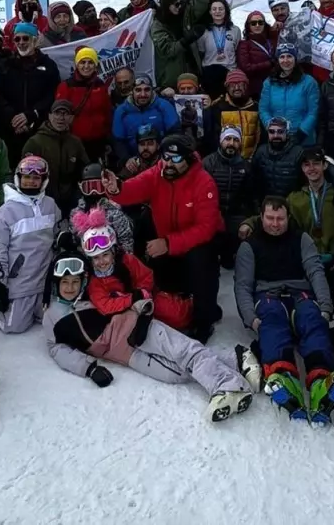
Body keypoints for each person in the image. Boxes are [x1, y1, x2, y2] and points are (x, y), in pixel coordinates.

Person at [44, 247, 252, 423]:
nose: (70, 288)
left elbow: (121, 296)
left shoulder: (92, 294)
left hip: (136, 326)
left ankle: (228, 385)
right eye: (65, 282)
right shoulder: (52, 315)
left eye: (74, 282)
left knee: (181, 351)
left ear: (83, 280)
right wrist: (88, 368)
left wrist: (141, 310)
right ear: (56, 284)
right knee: (175, 373)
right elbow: (57, 349)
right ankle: (236, 358)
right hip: (124, 353)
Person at [234, 196, 334, 423]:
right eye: (270, 218)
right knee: (272, 322)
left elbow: (316, 271)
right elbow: (243, 285)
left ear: (288, 218)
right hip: (268, 295)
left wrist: (325, 308)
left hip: (300, 293)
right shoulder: (250, 246)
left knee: (312, 319)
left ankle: (320, 379)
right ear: (262, 217)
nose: (275, 224)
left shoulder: (301, 239)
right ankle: (284, 375)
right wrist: (251, 319)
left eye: (280, 219)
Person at [101, 133, 222, 342]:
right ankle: (175, 304)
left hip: (195, 243)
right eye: (165, 157)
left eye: (176, 159)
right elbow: (133, 188)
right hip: (168, 242)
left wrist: (168, 243)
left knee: (203, 260)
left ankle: (204, 319)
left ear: (188, 159)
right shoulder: (157, 174)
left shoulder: (204, 182)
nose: (169, 163)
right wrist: (116, 188)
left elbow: (206, 228)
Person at [0, 155, 62, 334]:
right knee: (14, 327)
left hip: (45, 282)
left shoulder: (50, 205)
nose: (31, 182)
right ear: (18, 178)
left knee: (55, 321)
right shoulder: (6, 212)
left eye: (36, 178)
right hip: (20, 284)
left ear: (44, 181)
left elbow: (58, 232)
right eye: (27, 177)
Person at [79, 219, 191, 330]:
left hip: (146, 299)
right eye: (96, 258)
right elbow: (105, 305)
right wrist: (131, 299)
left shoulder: (127, 261)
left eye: (105, 255)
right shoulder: (95, 281)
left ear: (113, 251)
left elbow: (146, 276)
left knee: (177, 315)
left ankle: (193, 310)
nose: (102, 261)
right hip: (123, 314)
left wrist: (142, 292)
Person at [0, 21, 61, 166]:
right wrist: (13, 118)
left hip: (39, 130)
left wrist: (32, 115)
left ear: (35, 40)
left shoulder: (48, 65)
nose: (21, 43)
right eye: (17, 39)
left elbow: (53, 94)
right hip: (9, 131)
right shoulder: (5, 65)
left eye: (26, 38)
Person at [201, 126, 254, 269]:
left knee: (230, 262)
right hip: (212, 214)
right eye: (228, 139)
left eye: (236, 140)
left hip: (235, 215)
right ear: (221, 141)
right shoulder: (207, 163)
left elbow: (250, 197)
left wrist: (248, 221)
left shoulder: (246, 167)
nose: (231, 143)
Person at [21, 99, 90, 209]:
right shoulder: (35, 142)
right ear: (49, 116)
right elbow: (25, 176)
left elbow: (85, 170)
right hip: (42, 202)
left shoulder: (75, 143)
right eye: (57, 113)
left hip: (70, 202)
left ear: (71, 118)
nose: (61, 118)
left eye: (65, 113)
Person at [55, 47, 113, 163]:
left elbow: (106, 112)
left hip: (97, 142)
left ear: (95, 65)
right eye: (82, 62)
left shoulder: (100, 86)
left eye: (90, 62)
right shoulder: (66, 86)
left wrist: (107, 138)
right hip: (74, 142)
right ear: (77, 64)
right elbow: (59, 114)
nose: (86, 66)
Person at [259, 43, 320, 147]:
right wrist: (273, 129)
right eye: (282, 57)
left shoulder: (308, 82)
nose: (286, 60)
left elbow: (313, 111)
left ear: (295, 59)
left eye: (289, 56)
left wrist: (301, 133)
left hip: (303, 138)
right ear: (277, 60)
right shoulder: (269, 82)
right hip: (277, 138)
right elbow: (263, 109)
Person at [112, 75, 179, 164]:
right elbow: (118, 141)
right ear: (132, 91)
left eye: (147, 90)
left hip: (162, 157)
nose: (143, 94)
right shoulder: (121, 111)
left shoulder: (164, 106)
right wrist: (126, 159)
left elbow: (175, 133)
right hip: (134, 160)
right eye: (138, 90)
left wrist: (167, 155)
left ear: (152, 90)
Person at [71, 164, 136, 255]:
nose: (94, 192)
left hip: (110, 260)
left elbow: (126, 242)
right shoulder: (77, 213)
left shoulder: (115, 213)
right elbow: (75, 240)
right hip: (88, 259)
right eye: (89, 187)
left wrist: (122, 261)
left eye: (98, 187)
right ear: (82, 188)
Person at [151, 0, 204, 90]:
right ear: (167, 5)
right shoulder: (158, 25)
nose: (179, 7)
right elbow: (168, 50)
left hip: (191, 72)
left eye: (180, 3)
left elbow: (201, 5)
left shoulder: (183, 16)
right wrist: (187, 40)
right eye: (176, 4)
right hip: (171, 79)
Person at [202, 69, 260, 158]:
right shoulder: (218, 107)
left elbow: (260, 136)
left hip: (251, 160)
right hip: (225, 160)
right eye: (233, 85)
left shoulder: (256, 107)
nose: (237, 88)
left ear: (246, 86)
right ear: (227, 87)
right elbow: (213, 138)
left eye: (240, 84)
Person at [249, 116, 305, 202]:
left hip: (291, 205)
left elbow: (303, 185)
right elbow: (253, 182)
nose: (276, 135)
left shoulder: (298, 153)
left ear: (287, 132)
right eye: (271, 132)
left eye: (280, 132)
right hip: (266, 206)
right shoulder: (261, 151)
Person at [197, 0, 241, 98]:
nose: (217, 12)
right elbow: (201, 52)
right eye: (214, 9)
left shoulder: (235, 30)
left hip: (229, 72)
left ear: (226, 11)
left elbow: (237, 50)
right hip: (210, 72)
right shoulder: (204, 31)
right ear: (210, 12)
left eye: (221, 9)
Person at [236, 10, 275, 98]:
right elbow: (246, 67)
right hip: (255, 88)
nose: (257, 25)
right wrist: (269, 64)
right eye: (253, 23)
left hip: (273, 84)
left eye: (260, 22)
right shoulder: (244, 44)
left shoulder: (270, 41)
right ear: (248, 26)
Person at [269, 0, 312, 66]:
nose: (280, 12)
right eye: (275, 10)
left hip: (306, 66)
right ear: (272, 12)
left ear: (288, 8)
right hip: (285, 66)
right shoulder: (273, 28)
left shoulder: (299, 20)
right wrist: (273, 32)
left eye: (282, 8)